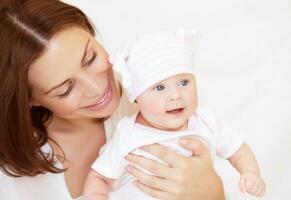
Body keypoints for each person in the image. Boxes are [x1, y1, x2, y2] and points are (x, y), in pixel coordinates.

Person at [0, 0, 225, 199]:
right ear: (29, 100)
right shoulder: (10, 174)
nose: (97, 88)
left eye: (90, 58)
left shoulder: (159, 96)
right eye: (65, 89)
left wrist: (213, 194)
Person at [83, 31, 266, 200]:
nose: (176, 95)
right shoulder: (127, 134)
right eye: (160, 87)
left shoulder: (205, 119)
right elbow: (99, 176)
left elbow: (238, 149)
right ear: (137, 98)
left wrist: (250, 172)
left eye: (184, 82)